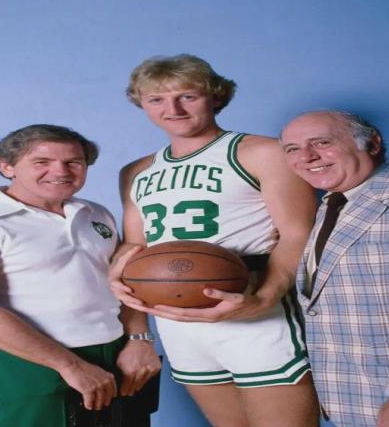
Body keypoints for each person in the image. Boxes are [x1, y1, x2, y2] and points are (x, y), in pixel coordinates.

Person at [108, 54, 320, 427]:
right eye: (157, 99)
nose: (173, 109)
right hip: (175, 321)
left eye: (187, 96)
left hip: (255, 312)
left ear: (216, 97)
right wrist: (118, 274)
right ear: (142, 104)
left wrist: (263, 299)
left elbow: (298, 233)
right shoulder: (135, 171)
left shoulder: (262, 152)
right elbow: (134, 246)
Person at [0, 124, 161, 427]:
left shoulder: (96, 213)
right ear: (6, 166)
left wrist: (139, 340)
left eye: (74, 162)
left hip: (116, 351)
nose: (61, 171)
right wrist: (70, 366)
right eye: (42, 162)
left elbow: (126, 282)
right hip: (29, 361)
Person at [280, 110, 389, 426]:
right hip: (353, 398)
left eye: (322, 142)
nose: (307, 156)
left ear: (372, 143)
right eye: (292, 149)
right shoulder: (328, 208)